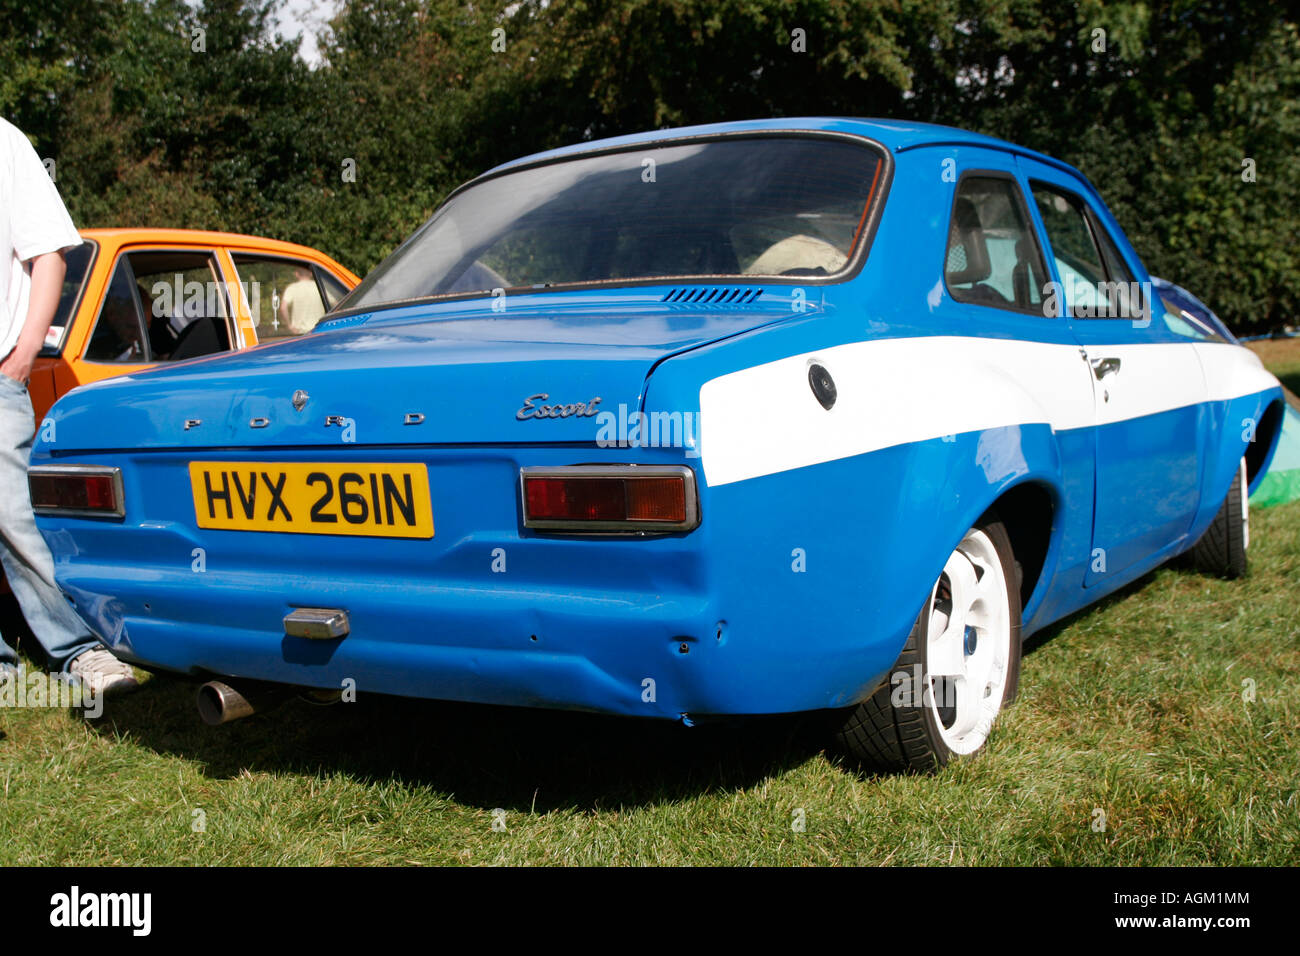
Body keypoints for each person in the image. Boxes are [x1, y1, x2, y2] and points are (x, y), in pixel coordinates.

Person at [0, 117, 138, 695]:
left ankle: (81, 647)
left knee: (14, 516)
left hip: (0, 366)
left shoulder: (4, 139)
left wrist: (23, 354)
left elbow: (50, 253)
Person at [277, 266, 325, 335]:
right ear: (311, 273)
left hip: (299, 332)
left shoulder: (292, 288)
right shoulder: (320, 286)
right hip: (319, 330)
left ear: (296, 274)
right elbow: (336, 304)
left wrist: (289, 326)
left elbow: (283, 308)